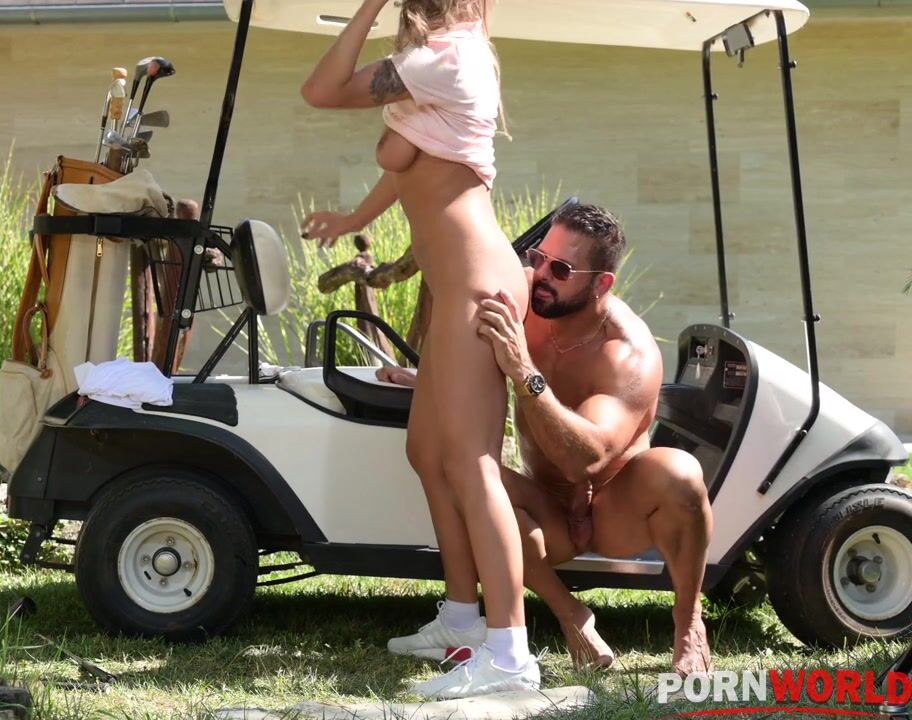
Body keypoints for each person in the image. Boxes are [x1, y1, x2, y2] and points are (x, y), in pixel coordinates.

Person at [300, 0, 539, 700]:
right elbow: (409, 164)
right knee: (428, 452)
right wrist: (354, 218)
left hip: (477, 287)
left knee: (470, 463)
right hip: (458, 283)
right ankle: (462, 620)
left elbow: (320, 90)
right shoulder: (432, 63)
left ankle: (510, 653)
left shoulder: (444, 59)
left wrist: (368, 7)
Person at [375, 204, 714, 677]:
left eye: (562, 269)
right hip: (548, 504)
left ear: (601, 284)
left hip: (615, 508)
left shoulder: (626, 354)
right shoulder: (525, 302)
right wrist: (428, 379)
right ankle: (570, 614)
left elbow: (585, 461)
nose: (541, 276)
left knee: (680, 473)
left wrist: (524, 373)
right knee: (459, 473)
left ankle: (689, 624)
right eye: (539, 258)